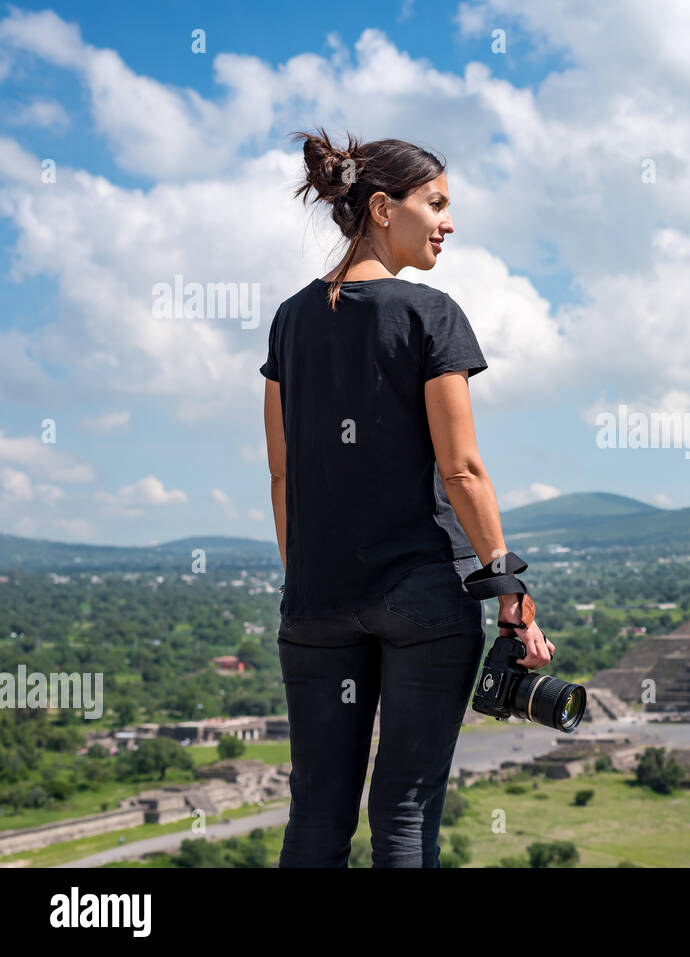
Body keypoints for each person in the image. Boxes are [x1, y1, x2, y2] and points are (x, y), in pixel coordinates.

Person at [260, 128, 554, 867]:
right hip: (423, 596)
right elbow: (461, 470)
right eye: (437, 204)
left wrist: (310, 583)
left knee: (317, 810)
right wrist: (509, 586)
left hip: (317, 603)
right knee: (404, 810)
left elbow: (283, 476)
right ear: (384, 208)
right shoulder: (430, 314)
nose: (449, 222)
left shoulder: (290, 321)